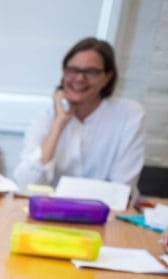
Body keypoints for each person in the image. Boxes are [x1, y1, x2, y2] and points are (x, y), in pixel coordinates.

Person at [13, 37, 145, 190]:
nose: (80, 78)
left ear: (108, 77)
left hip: (106, 212)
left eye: (91, 72)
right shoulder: (45, 117)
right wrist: (59, 124)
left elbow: (121, 189)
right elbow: (24, 184)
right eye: (73, 70)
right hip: (51, 211)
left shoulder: (128, 115)